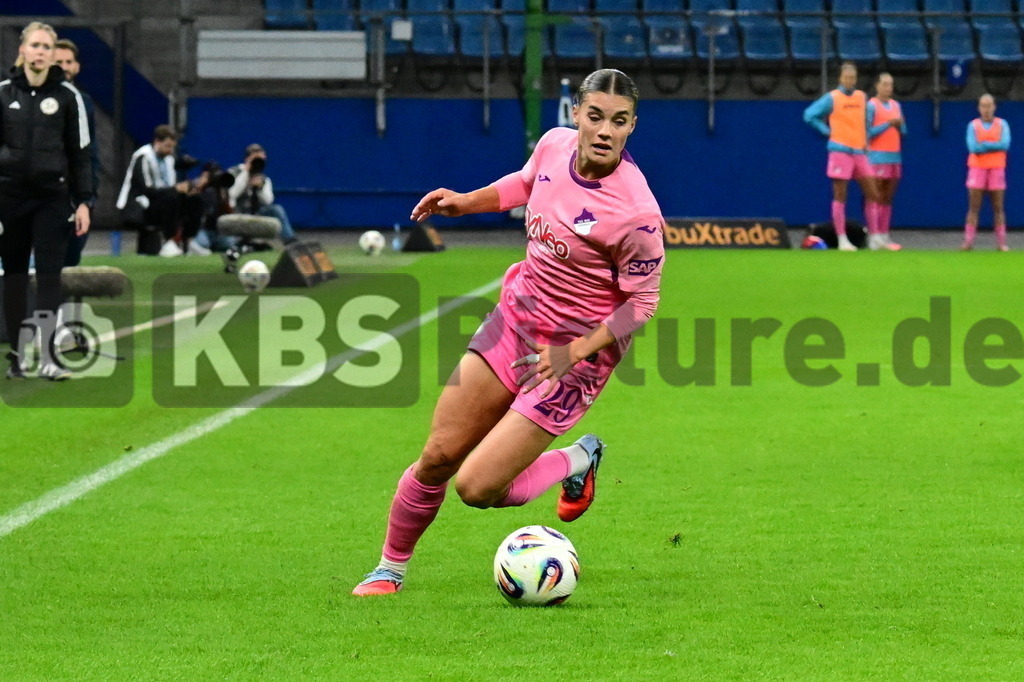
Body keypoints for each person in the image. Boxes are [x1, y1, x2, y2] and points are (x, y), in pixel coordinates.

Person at [352, 69, 665, 596]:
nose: (604, 130)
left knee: (476, 488)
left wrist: (574, 352)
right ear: (576, 115)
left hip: (574, 354)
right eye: (595, 116)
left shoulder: (636, 214)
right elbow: (526, 182)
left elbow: (643, 304)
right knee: (439, 456)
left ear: (632, 126)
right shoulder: (552, 144)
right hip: (516, 320)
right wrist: (465, 201)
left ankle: (575, 457)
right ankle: (390, 568)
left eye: (618, 121)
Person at [0, 21, 93, 381]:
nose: (39, 52)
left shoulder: (69, 98)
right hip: (9, 199)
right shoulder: (4, 93)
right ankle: (17, 357)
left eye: (45, 47)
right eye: (34, 45)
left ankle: (50, 358)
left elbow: (81, 153)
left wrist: (83, 201)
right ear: (22, 50)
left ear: (53, 55)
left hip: (53, 199)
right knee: (14, 276)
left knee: (50, 276)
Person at [803, 62, 882, 252]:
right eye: (846, 77)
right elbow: (809, 115)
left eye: (852, 78)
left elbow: (865, 123)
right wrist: (826, 130)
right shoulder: (832, 98)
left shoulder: (862, 97)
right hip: (840, 150)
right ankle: (842, 239)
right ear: (840, 78)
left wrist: (866, 142)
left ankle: (874, 236)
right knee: (840, 195)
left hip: (859, 151)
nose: (850, 81)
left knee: (873, 193)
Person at [115, 124, 210, 256]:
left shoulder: (169, 159)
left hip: (162, 201)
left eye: (172, 147)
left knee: (195, 199)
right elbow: (145, 189)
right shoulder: (143, 157)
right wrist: (174, 189)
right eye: (167, 146)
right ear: (157, 142)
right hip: (140, 205)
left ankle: (189, 240)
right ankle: (169, 242)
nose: (170, 150)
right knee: (171, 197)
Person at [54, 38, 99, 266]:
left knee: (72, 255)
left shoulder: (85, 103)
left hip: (74, 188)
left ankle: (62, 299)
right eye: (58, 61)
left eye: (68, 61)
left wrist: (89, 194)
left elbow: (89, 150)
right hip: (45, 188)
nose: (63, 66)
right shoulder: (35, 100)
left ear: (76, 66)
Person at [962, 94, 1011, 252]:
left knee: (998, 207)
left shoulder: (1002, 124)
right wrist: (993, 146)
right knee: (974, 207)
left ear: (994, 107)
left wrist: (985, 145)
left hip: (996, 168)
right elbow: (973, 147)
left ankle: (1001, 243)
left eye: (989, 105)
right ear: (979, 108)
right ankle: (968, 242)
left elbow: (1005, 144)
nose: (986, 109)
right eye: (983, 106)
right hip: (977, 169)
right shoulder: (973, 126)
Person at [227, 143, 297, 245]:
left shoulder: (264, 179)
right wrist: (246, 173)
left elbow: (268, 200)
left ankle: (290, 240)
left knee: (277, 209)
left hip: (256, 212)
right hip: (237, 211)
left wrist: (260, 188)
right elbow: (232, 194)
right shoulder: (233, 172)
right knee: (230, 244)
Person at [866, 72, 904, 252]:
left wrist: (899, 125)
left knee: (888, 197)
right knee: (875, 195)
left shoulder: (896, 105)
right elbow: (867, 133)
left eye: (890, 85)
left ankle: (884, 234)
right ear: (877, 86)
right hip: (877, 157)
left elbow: (903, 130)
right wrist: (888, 124)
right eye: (885, 84)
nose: (888, 88)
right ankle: (874, 236)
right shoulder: (871, 106)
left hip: (894, 156)